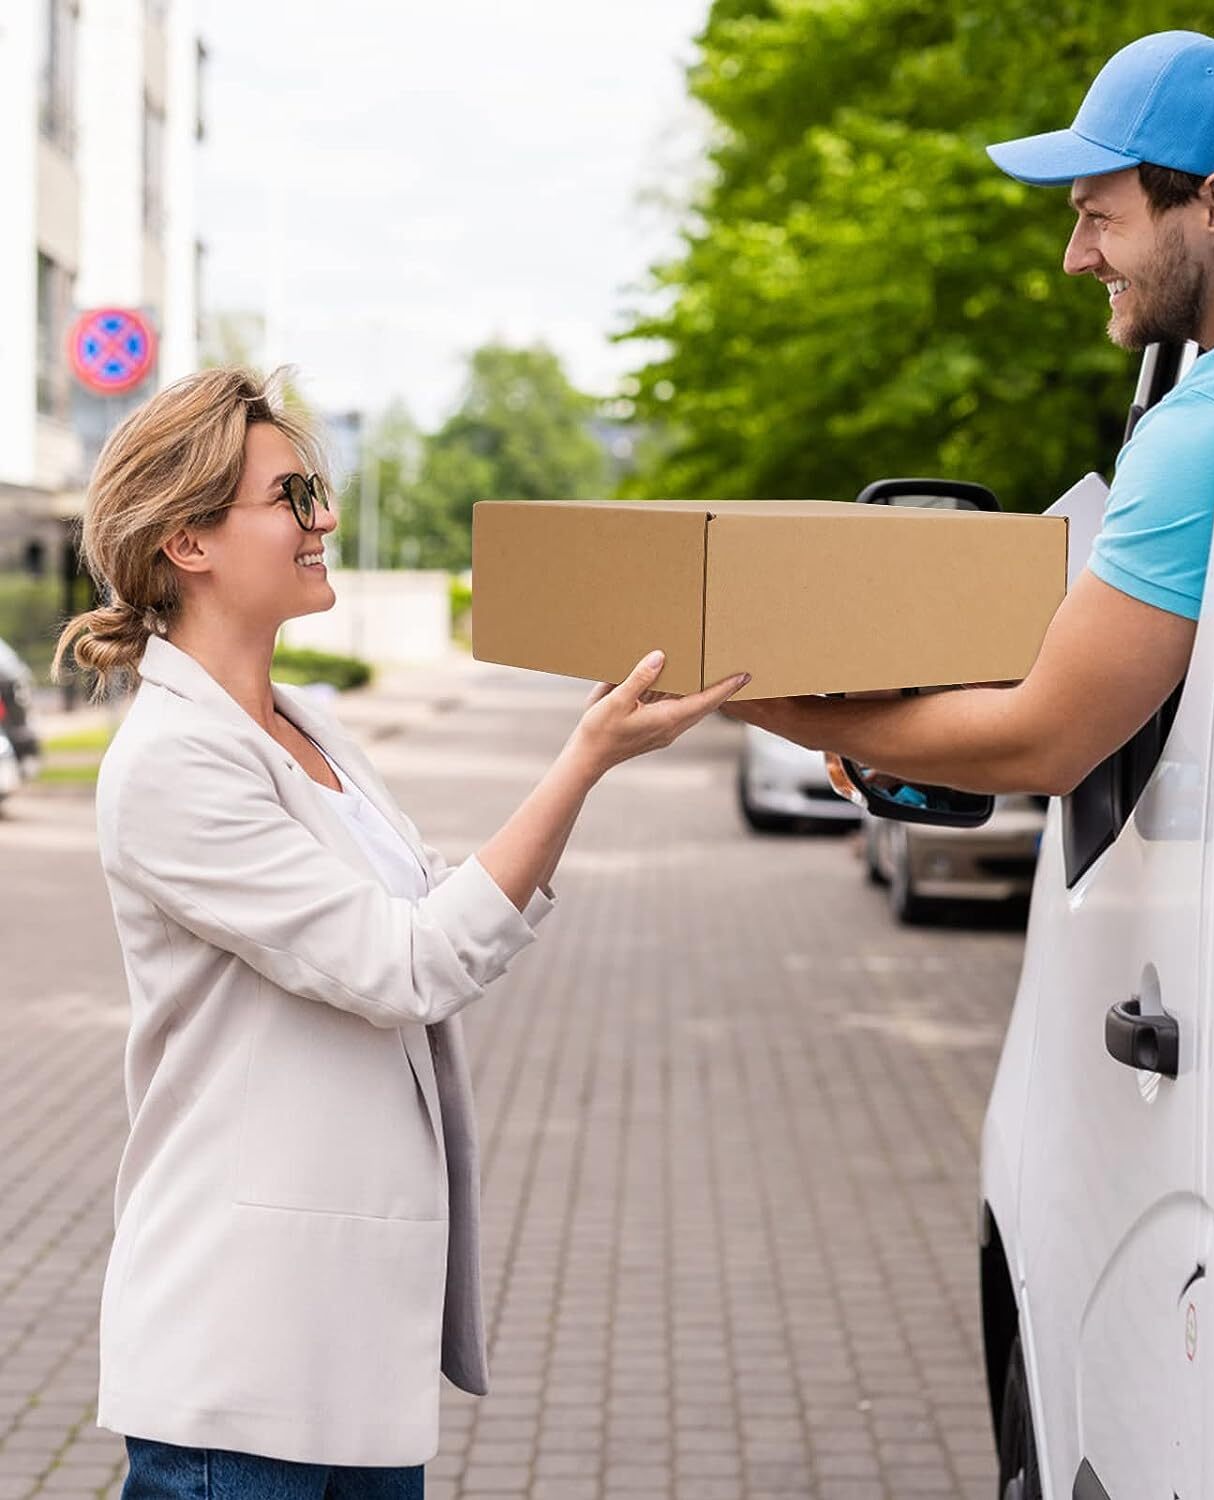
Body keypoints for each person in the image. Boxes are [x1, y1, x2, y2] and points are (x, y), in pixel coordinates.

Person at [52, 367, 747, 1497]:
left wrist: (583, 755)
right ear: (187, 539)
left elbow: (426, 907)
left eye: (315, 488)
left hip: (346, 1355)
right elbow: (410, 964)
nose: (323, 518)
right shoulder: (173, 764)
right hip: (243, 1368)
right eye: (291, 496)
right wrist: (586, 761)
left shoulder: (297, 721)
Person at [726, 31, 1214, 794]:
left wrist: (786, 713)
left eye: (1100, 217)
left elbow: (1043, 746)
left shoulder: (1211, 423)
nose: (1075, 256)